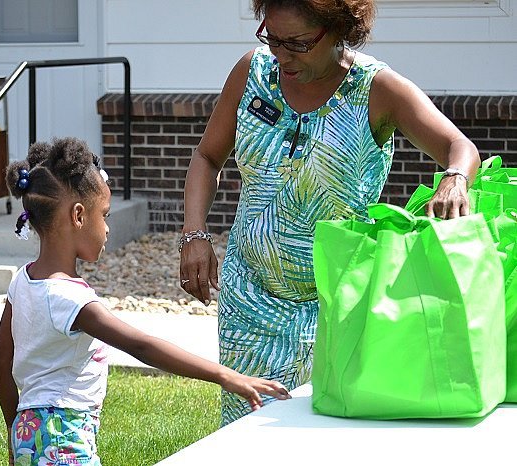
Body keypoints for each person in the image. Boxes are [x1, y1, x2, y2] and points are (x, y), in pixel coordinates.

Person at [178, 0, 481, 425]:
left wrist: (455, 177)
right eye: (273, 38)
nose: (282, 55)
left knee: (327, 432)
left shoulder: (377, 90)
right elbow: (207, 157)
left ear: (340, 30)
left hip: (338, 301)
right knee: (247, 431)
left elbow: (459, 147)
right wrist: (194, 233)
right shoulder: (253, 72)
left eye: (298, 43)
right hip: (250, 296)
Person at [0, 137, 291, 465]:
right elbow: (141, 346)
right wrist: (226, 376)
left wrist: (15, 428)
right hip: (63, 436)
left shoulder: (23, 281)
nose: (107, 229)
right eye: (104, 215)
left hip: (29, 432)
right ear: (78, 216)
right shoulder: (69, 298)